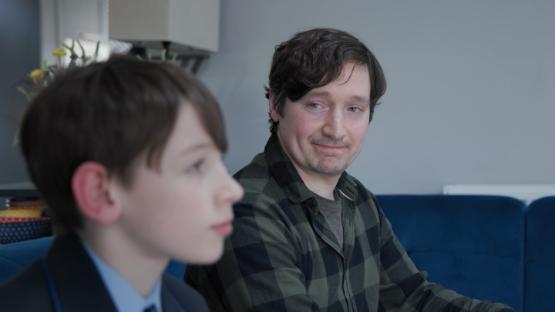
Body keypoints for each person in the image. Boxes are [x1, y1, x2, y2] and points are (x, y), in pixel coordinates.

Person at [186, 28, 514, 311]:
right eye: (316, 104)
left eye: (354, 108)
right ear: (276, 105)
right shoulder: (245, 210)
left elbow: (411, 299)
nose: (336, 129)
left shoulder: (357, 198)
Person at [0, 56, 243, 311]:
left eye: (219, 161)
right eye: (195, 165)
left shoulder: (187, 303)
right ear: (100, 192)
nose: (233, 190)